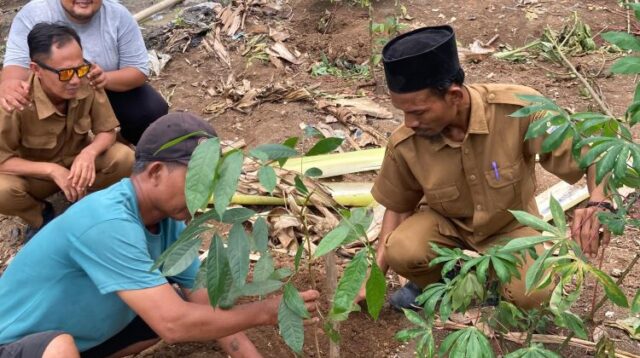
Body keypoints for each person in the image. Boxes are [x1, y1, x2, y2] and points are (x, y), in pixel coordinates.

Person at [0, 112, 321, 358]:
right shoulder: (106, 222)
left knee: (174, 307)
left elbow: (209, 311)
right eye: (196, 180)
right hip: (15, 344)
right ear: (155, 173)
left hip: (76, 340)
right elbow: (174, 324)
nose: (204, 192)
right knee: (62, 346)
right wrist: (263, 312)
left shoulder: (169, 224)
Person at [357, 25, 612, 311]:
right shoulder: (406, 142)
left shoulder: (520, 109)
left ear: (453, 96)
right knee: (402, 249)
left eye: (417, 112)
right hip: (444, 225)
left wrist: (599, 202)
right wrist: (374, 276)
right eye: (403, 112)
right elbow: (398, 205)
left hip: (511, 227)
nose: (409, 122)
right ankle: (444, 281)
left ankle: (491, 281)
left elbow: (594, 155)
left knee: (534, 294)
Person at [0, 23, 134, 240]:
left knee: (124, 158)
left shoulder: (86, 79)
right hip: (36, 175)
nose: (74, 80)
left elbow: (107, 130)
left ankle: (92, 203)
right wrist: (51, 170)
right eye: (64, 73)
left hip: (78, 163)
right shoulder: (16, 101)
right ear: (36, 69)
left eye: (79, 68)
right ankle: (41, 215)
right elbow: (2, 159)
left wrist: (88, 154)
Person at [0, 0, 168, 145]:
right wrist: (9, 85)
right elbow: (15, 66)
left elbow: (138, 70)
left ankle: (117, 143)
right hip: (50, 92)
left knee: (150, 109)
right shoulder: (34, 13)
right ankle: (36, 155)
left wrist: (105, 78)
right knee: (12, 100)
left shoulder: (119, 16)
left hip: (99, 88)